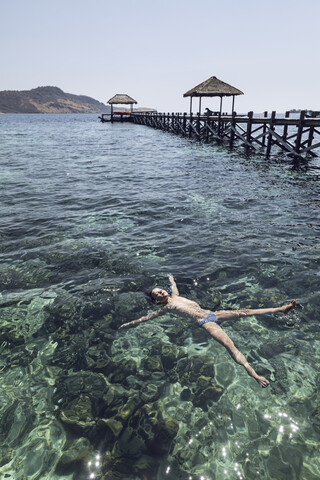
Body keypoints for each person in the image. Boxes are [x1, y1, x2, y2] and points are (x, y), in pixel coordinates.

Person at [119, 274, 296, 388]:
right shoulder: (166, 307)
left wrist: (172, 280)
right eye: (157, 293)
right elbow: (148, 318)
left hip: (212, 313)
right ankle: (254, 374)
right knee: (230, 346)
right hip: (205, 322)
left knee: (244, 312)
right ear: (156, 300)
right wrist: (131, 323)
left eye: (160, 289)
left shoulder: (176, 296)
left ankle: (281, 309)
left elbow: (174, 288)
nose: (160, 291)